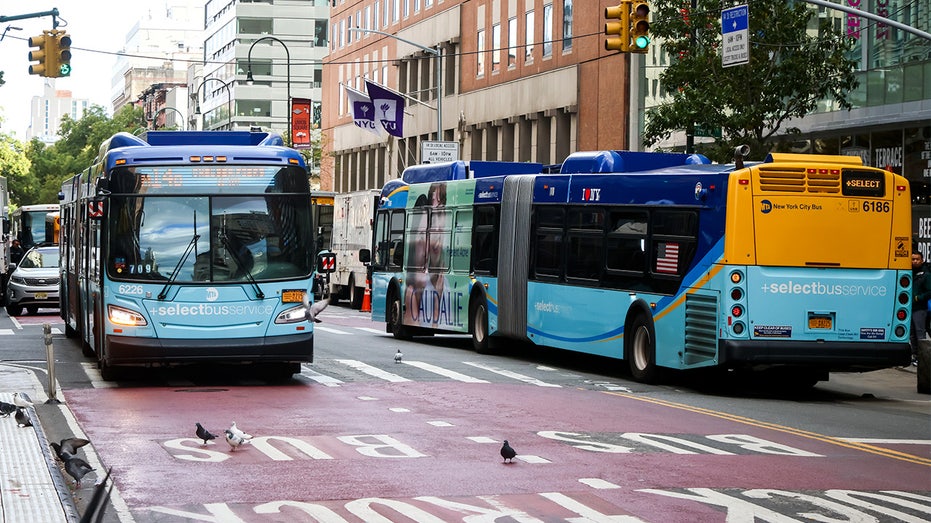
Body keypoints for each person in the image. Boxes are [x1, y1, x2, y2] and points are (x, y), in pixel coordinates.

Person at [911, 250, 931, 365]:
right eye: (912, 259)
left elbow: (930, 291)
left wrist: (919, 298)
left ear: (922, 260)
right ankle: (915, 356)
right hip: (910, 308)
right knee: (912, 334)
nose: (914, 261)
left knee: (920, 333)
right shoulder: (909, 273)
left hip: (920, 308)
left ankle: (923, 359)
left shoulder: (926, 275)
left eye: (917, 259)